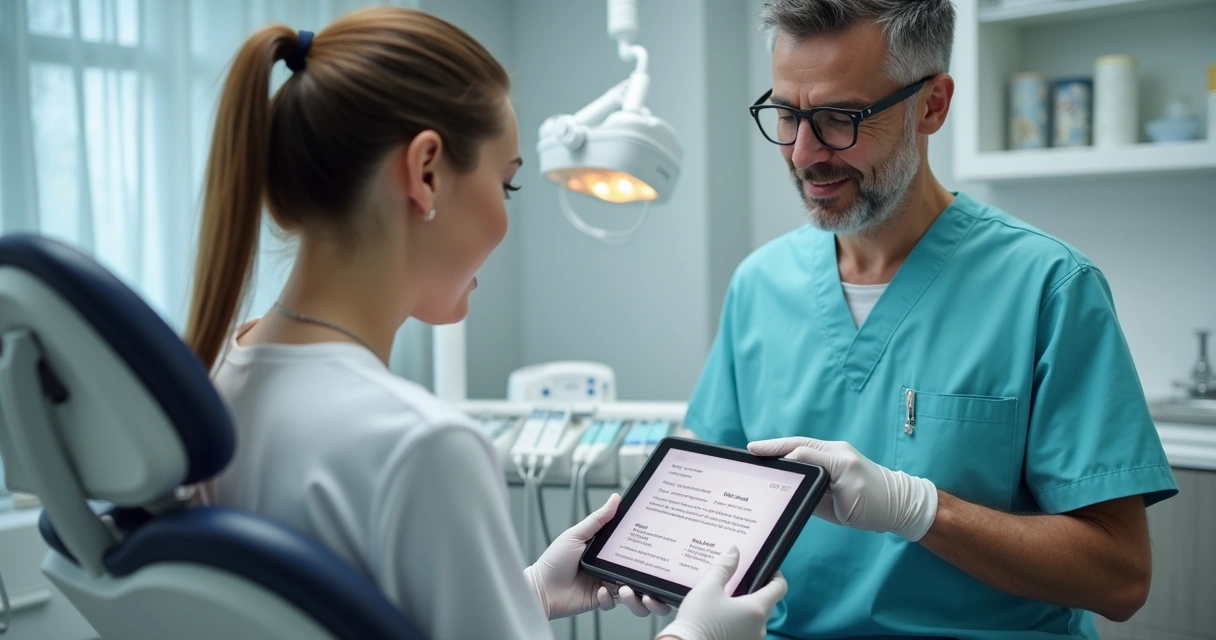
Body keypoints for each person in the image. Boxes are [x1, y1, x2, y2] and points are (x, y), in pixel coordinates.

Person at [185, 7, 785, 640]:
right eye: (509, 184)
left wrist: (526, 592)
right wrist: (697, 634)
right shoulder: (423, 447)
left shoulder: (214, 381)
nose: (506, 218)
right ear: (425, 173)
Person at [685, 1, 1179, 639]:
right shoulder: (760, 284)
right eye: (786, 113)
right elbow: (714, 495)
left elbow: (1120, 578)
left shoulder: (1047, 288)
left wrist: (917, 509)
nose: (805, 153)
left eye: (840, 117)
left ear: (932, 106)